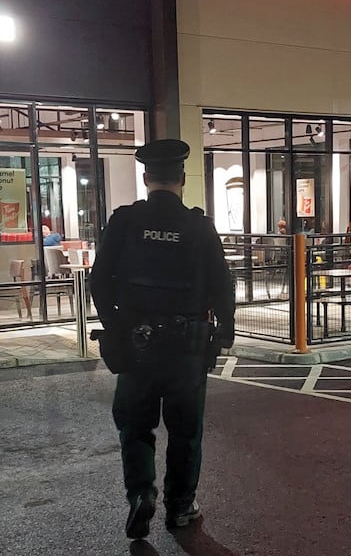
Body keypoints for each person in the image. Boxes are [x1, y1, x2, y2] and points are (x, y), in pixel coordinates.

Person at [89, 138, 235, 541]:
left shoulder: (124, 221)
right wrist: (226, 329)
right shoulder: (198, 226)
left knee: (135, 427)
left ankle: (140, 494)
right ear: (182, 178)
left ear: (145, 177)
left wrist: (117, 325)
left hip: (138, 346)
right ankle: (181, 508)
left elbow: (98, 280)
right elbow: (223, 284)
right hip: (187, 347)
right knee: (186, 431)